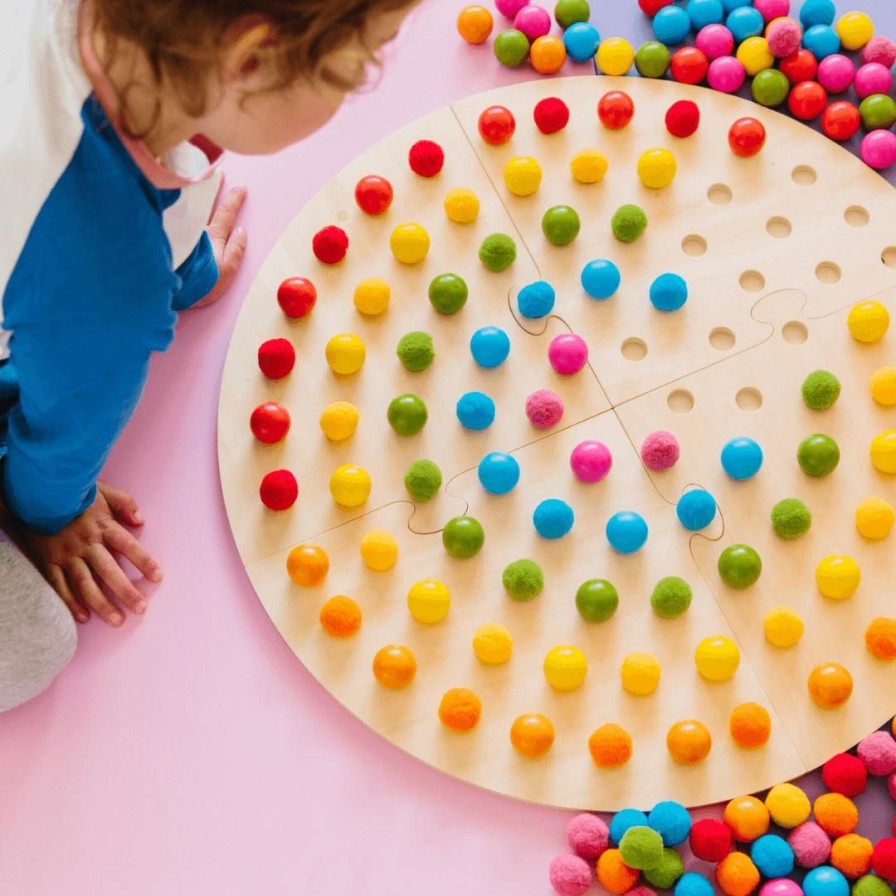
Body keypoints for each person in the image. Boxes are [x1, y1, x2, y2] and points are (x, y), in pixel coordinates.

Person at [0, 0, 417, 711]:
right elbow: (66, 419)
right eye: (357, 69)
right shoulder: (109, 282)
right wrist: (52, 514)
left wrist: (184, 268)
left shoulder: (112, 44)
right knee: (30, 647)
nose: (362, 87)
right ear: (250, 59)